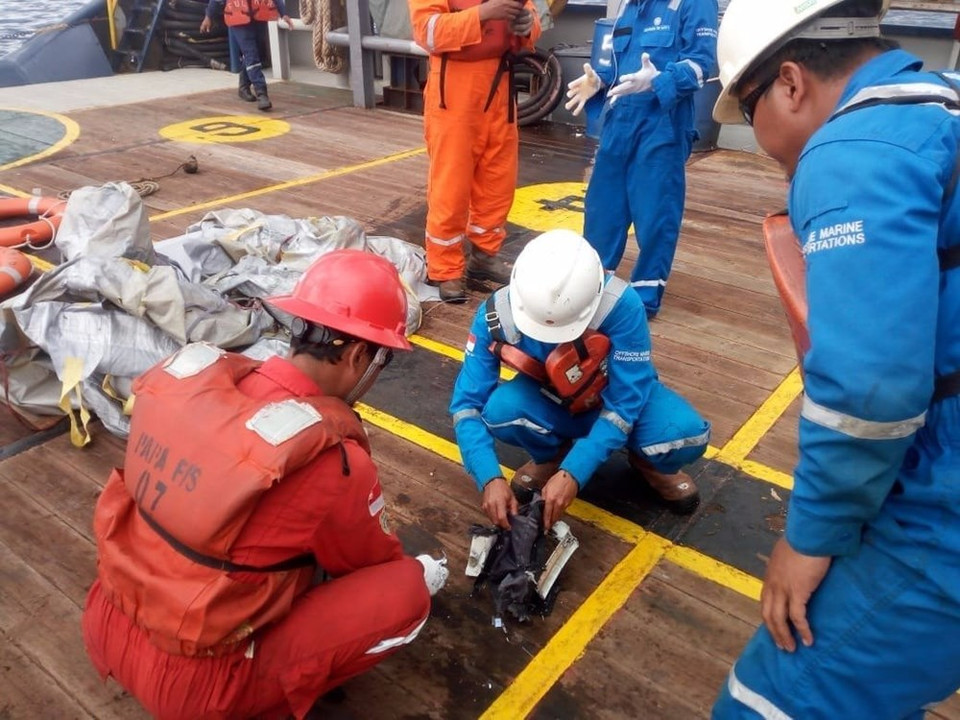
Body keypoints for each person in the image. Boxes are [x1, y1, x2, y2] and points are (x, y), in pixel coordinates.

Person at [709, 0, 960, 717]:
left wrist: (811, 535)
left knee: (766, 702)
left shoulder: (852, 153)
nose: (758, 139)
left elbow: (868, 390)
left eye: (748, 108)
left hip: (945, 509)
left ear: (789, 83)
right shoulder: (939, 106)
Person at [82, 250, 447, 720]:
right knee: (406, 591)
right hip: (195, 686)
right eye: (380, 362)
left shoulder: (200, 386)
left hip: (109, 620)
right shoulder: (333, 461)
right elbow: (369, 563)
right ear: (359, 355)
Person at [449, 229, 710, 530]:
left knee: (685, 435)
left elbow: (626, 403)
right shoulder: (493, 317)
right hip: (553, 403)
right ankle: (552, 456)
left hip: (617, 399)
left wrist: (575, 471)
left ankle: (646, 463)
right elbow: (467, 405)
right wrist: (489, 477)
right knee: (500, 411)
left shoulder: (622, 306)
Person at [564, 0, 718, 318]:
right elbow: (619, 67)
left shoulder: (695, 3)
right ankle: (592, 283)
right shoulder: (628, 6)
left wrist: (659, 80)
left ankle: (645, 295)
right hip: (619, 123)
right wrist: (600, 81)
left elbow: (703, 65)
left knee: (655, 213)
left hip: (663, 124)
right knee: (602, 208)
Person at [409, 0, 542, 302]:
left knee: (499, 182)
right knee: (450, 187)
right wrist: (483, 14)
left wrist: (527, 25)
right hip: (454, 91)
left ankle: (484, 256)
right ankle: (445, 269)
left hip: (500, 88)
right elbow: (426, 31)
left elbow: (533, 17)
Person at [201, 0, 294, 111]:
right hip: (238, 20)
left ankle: (243, 86)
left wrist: (284, 13)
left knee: (255, 53)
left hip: (259, 17)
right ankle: (262, 93)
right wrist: (208, 16)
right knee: (252, 54)